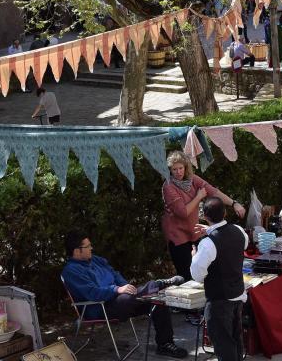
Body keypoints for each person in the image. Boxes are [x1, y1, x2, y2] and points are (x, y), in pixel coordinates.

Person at [62, 231, 187, 358]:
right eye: (87, 246)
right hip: (100, 308)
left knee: (158, 300)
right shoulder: (71, 271)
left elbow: (114, 273)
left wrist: (126, 287)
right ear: (77, 251)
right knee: (137, 295)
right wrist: (117, 289)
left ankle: (165, 344)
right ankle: (158, 284)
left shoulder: (95, 260)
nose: (91, 248)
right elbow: (93, 293)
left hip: (120, 301)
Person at [161, 150, 243, 281]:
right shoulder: (168, 187)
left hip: (193, 230)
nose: (178, 172)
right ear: (170, 170)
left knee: (203, 269)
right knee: (186, 275)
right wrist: (199, 196)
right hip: (177, 235)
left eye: (180, 168)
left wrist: (234, 203)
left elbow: (213, 191)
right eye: (174, 169)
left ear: (186, 167)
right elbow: (183, 212)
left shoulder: (193, 179)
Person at [190, 196, 248, 361]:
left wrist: (194, 256)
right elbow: (241, 244)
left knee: (224, 345)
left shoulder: (207, 243)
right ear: (224, 213)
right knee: (235, 339)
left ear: (205, 217)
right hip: (237, 294)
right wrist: (210, 230)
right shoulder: (239, 231)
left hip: (219, 299)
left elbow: (197, 275)